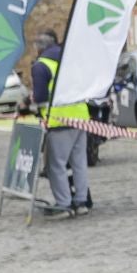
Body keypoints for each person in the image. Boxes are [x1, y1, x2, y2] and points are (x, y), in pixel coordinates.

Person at [31, 30, 92, 219]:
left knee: (55, 165)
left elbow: (40, 97)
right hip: (81, 116)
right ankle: (81, 201)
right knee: (79, 162)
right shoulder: (70, 60)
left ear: (39, 48)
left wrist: (32, 108)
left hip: (59, 120)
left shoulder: (41, 66)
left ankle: (64, 203)